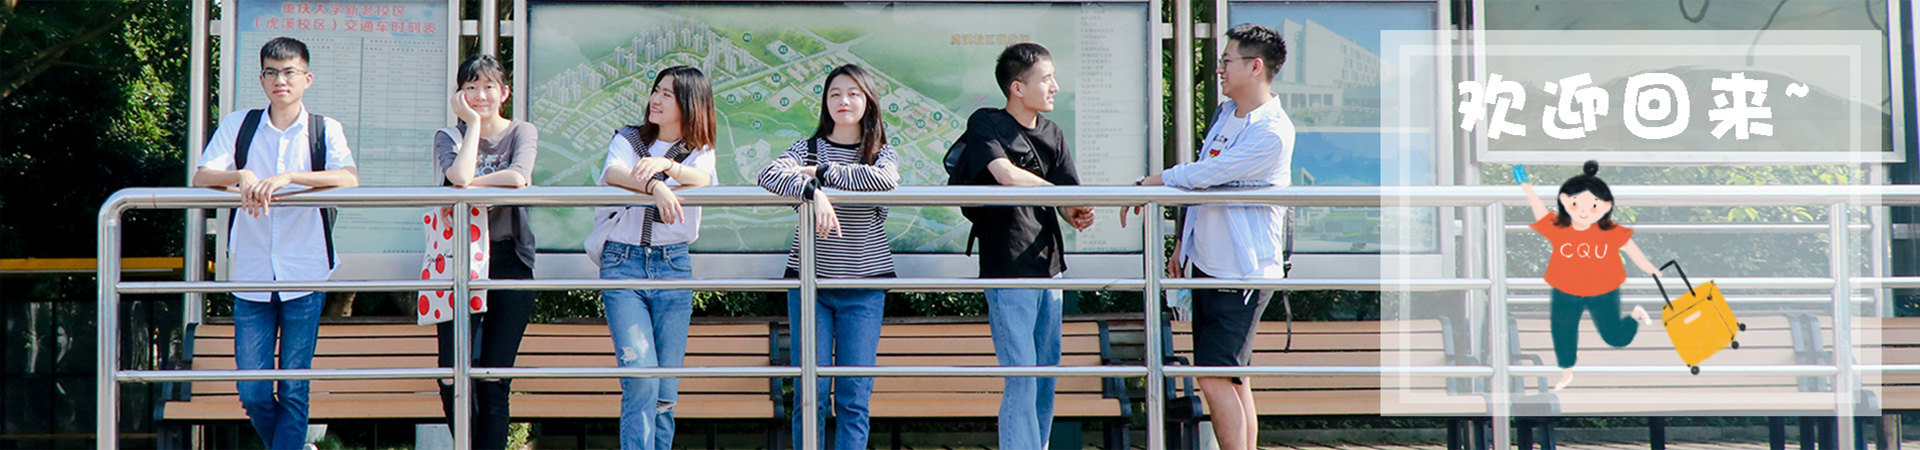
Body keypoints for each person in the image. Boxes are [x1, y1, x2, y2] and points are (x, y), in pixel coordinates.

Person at [1128, 23, 1293, 450]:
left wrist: (1153, 181)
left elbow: (1209, 174)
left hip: (1241, 271)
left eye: (1227, 61)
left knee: (1215, 375)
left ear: (1255, 67)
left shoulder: (1271, 131)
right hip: (1209, 264)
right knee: (1232, 376)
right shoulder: (1225, 115)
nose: (1220, 69)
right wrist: (1184, 242)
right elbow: (1203, 185)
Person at [190, 36, 359, 450]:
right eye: (271, 72)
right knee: (253, 391)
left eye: (289, 72)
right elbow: (201, 177)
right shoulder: (240, 125)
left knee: (294, 387)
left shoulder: (324, 129)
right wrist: (240, 175)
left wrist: (289, 178)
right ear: (262, 78)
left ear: (307, 78)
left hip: (305, 270)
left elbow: (348, 178)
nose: (280, 80)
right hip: (251, 272)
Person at [950, 42, 1096, 450]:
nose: (1055, 87)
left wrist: (1075, 212)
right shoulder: (986, 122)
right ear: (1017, 87)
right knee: (1022, 374)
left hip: (1050, 267)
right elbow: (1005, 175)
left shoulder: (1053, 133)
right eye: (1046, 79)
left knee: (1045, 374)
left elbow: (1068, 197)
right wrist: (1058, 195)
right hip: (1007, 265)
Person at [756, 64, 902, 449]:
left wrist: (821, 173)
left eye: (853, 93)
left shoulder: (880, 152)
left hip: (864, 287)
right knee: (810, 393)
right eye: (835, 93)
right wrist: (812, 192)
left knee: (854, 395)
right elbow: (767, 174)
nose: (843, 101)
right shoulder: (806, 148)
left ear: (868, 101)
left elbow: (885, 179)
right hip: (811, 286)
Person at [587, 65, 718, 450]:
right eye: (656, 90)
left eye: (667, 94)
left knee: (665, 390)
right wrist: (656, 187)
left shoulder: (699, 150)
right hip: (622, 263)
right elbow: (614, 173)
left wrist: (667, 167)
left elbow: (704, 179)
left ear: (690, 104)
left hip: (673, 264)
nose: (655, 100)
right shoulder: (628, 139)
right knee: (641, 378)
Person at [431, 53, 539, 449]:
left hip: (508, 259)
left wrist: (467, 187)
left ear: (504, 92)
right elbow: (458, 174)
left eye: (488, 86)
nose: (480, 95)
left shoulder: (521, 131)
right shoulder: (449, 136)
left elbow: (519, 177)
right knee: (452, 375)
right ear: (459, 95)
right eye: (470, 87)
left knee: (494, 379)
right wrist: (473, 125)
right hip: (458, 261)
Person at [1518, 161, 1658, 391]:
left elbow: (1633, 251)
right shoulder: (1560, 227)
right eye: (1576, 204)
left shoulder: (1610, 231)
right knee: (1562, 332)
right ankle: (1566, 373)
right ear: (1565, 201)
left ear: (1606, 206)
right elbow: (1541, 214)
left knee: (1615, 337)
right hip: (1565, 289)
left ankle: (1635, 315)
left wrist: (1651, 269)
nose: (1583, 212)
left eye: (1593, 207)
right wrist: (1528, 190)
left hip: (1603, 290)